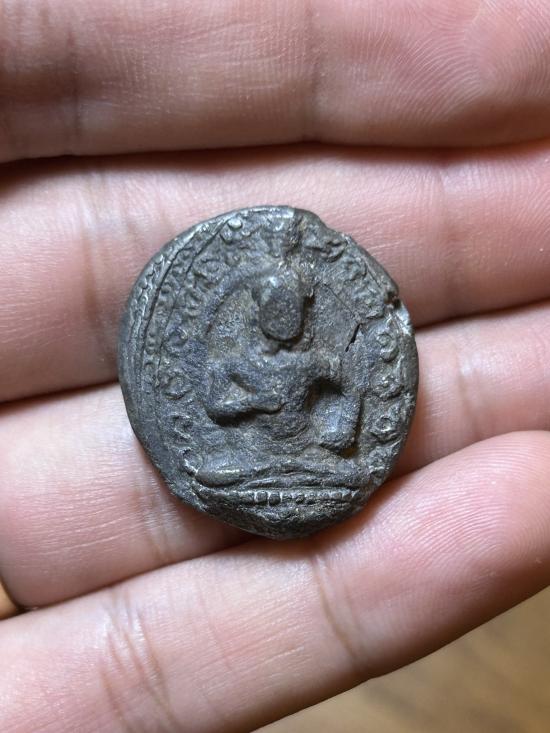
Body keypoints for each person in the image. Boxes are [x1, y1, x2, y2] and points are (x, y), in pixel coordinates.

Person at [1, 2, 550, 731]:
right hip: (245, 461)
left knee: (331, 473)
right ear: (261, 311)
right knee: (221, 469)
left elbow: (348, 394)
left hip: (310, 464)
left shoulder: (321, 353)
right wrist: (253, 403)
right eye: (276, 313)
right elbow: (216, 405)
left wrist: (342, 422)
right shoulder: (235, 357)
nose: (286, 324)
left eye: (295, 312)